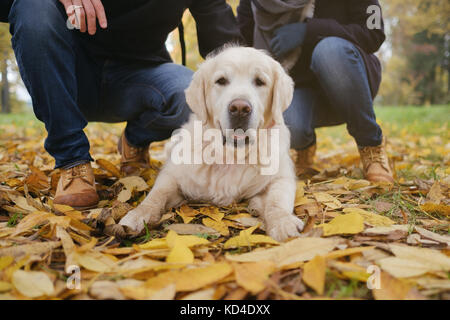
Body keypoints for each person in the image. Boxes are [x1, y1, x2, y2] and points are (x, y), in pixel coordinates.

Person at [1, 0, 240, 209]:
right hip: (69, 76)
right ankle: (73, 162)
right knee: (33, 5)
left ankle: (134, 140)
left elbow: (227, 49)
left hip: (140, 77)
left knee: (191, 96)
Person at [237, 0, 394, 183]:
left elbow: (373, 34)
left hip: (348, 79)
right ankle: (303, 146)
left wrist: (309, 31)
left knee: (329, 51)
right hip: (298, 86)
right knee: (289, 125)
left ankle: (371, 146)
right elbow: (242, 43)